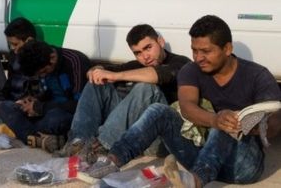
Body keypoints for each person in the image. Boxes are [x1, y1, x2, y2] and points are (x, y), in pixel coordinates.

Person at [84, 15, 281, 187]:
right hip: (198, 155)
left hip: (242, 165)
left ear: (227, 48)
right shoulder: (191, 70)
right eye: (195, 50)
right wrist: (215, 119)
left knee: (225, 125)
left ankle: (194, 182)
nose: (198, 57)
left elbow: (275, 121)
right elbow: (187, 106)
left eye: (206, 51)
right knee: (159, 111)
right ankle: (111, 161)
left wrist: (251, 126)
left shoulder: (257, 75)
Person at [58, 24, 190, 158]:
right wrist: (96, 71)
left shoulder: (181, 63)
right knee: (97, 83)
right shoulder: (138, 65)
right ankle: (78, 141)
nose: (145, 57)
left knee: (147, 88)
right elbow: (105, 70)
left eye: (148, 48)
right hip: (136, 134)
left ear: (160, 42)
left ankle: (102, 147)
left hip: (162, 139)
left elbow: (157, 75)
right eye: (138, 53)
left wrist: (115, 76)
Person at [0, 40, 90, 147]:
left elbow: (81, 106)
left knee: (57, 120)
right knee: (3, 106)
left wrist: (40, 107)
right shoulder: (40, 69)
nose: (43, 76)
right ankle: (37, 138)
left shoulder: (74, 61)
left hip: (65, 114)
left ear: (53, 58)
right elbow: (42, 94)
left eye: (44, 72)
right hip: (44, 113)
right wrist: (30, 101)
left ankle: (21, 133)